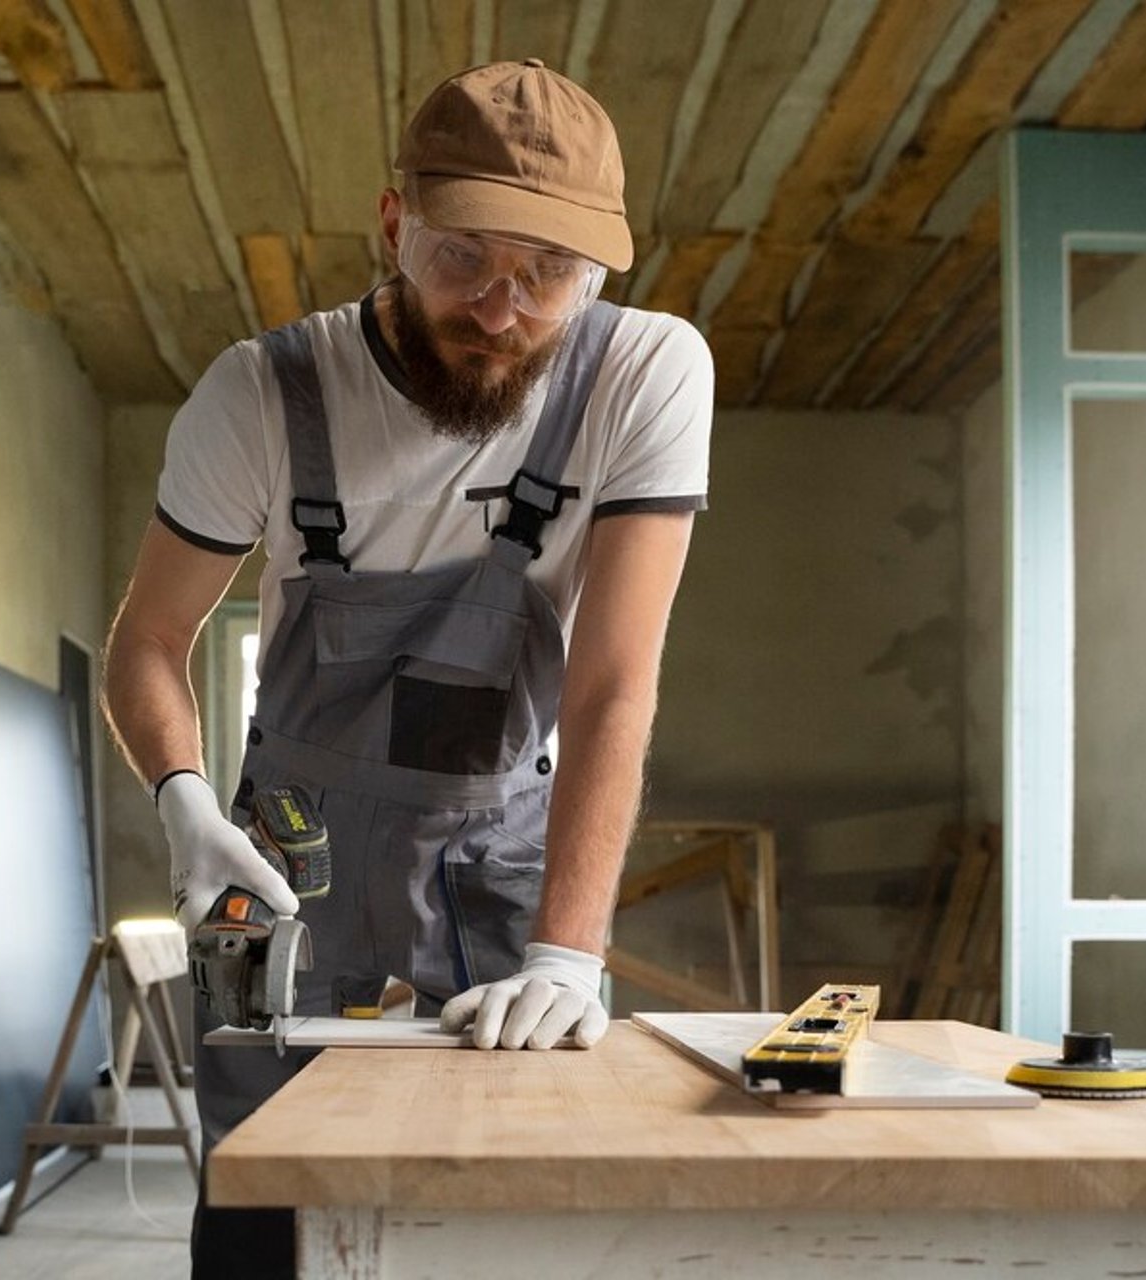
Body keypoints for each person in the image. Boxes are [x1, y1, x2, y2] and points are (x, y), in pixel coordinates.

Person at [102, 58, 712, 1277]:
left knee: (512, 1207)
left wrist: (568, 950)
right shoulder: (261, 394)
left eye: (549, 275)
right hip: (282, 866)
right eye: (463, 258)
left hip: (500, 859)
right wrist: (184, 804)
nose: (500, 307)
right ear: (395, 225)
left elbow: (611, 687)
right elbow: (148, 643)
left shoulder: (645, 373)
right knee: (262, 1205)